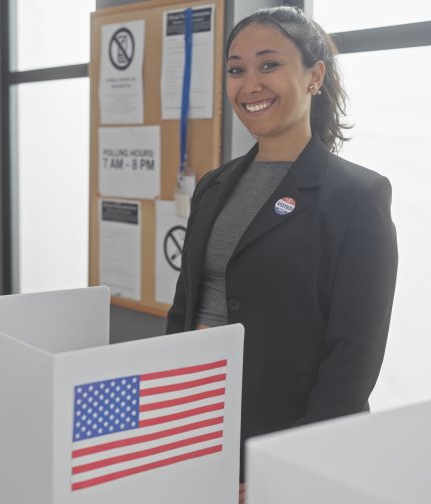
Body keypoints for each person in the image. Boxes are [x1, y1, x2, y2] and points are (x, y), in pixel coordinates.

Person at [166, 4, 398, 494]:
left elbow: (354, 355)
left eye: (269, 64)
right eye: (236, 69)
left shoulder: (356, 197)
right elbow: (186, 307)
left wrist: (291, 461)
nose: (249, 84)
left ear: (315, 76)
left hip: (291, 437)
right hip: (202, 425)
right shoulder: (215, 184)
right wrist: (171, 414)